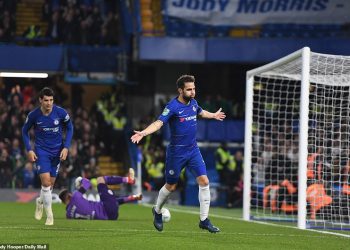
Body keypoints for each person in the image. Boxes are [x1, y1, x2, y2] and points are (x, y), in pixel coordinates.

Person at [131, 75, 226, 233]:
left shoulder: (193, 103)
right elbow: (159, 123)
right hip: (177, 153)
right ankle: (157, 210)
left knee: (204, 181)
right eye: (189, 89)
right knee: (171, 186)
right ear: (180, 90)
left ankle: (204, 220)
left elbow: (201, 112)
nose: (193, 92)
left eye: (194, 88)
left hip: (193, 150)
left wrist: (214, 115)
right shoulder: (172, 106)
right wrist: (144, 133)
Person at [22, 87, 73, 226]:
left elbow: (70, 127)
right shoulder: (34, 115)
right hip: (42, 151)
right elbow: (24, 131)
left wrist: (66, 147)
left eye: (51, 100)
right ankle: (49, 215)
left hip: (57, 152)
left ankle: (40, 201)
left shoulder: (61, 112)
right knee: (45, 183)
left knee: (49, 186)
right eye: (46, 100)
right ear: (40, 100)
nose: (49, 103)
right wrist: (29, 149)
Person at [59, 168, 142, 220]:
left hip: (110, 217)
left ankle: (134, 197)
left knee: (110, 201)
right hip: (108, 210)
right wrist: (80, 180)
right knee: (100, 179)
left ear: (63, 202)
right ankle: (129, 180)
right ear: (69, 195)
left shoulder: (69, 215)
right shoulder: (75, 196)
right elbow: (87, 183)